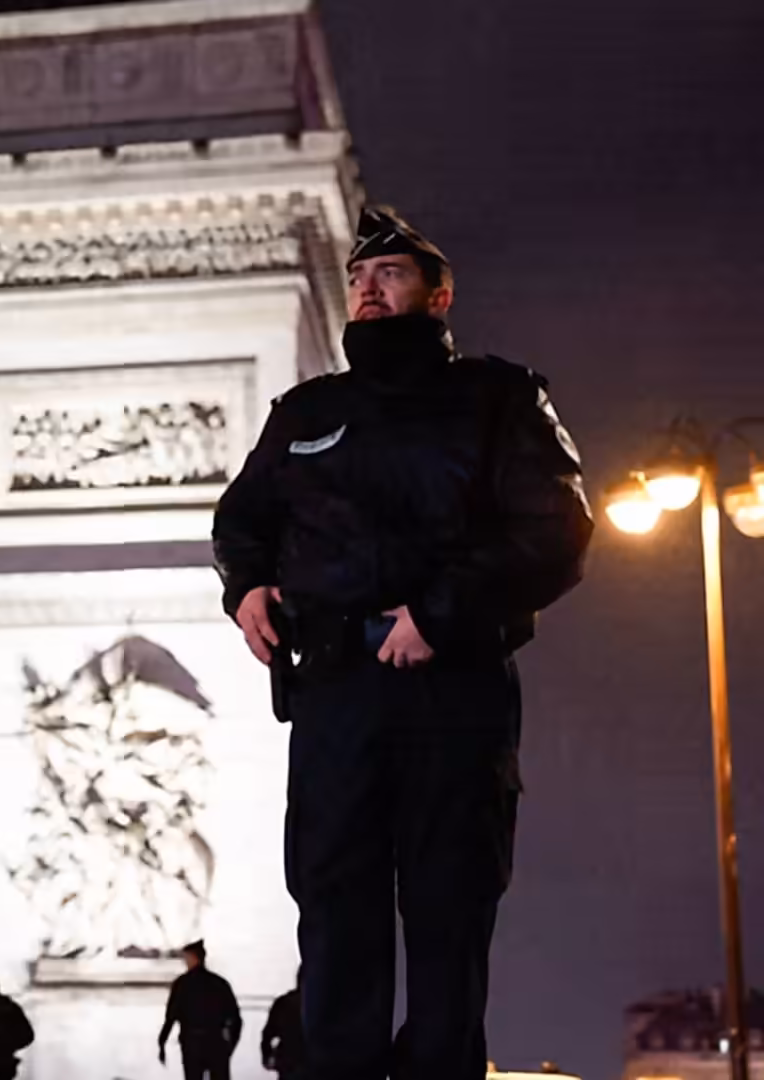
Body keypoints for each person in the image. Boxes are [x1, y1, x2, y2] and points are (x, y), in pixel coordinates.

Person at [212, 206, 593, 1080]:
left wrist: (439, 615)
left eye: (389, 275)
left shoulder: (500, 398)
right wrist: (247, 589)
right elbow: (242, 521)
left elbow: (559, 531)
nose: (368, 290)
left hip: (451, 690)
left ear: (439, 294)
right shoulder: (304, 411)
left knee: (448, 909)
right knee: (332, 903)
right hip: (336, 689)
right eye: (357, 279)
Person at [158, 941, 242, 1080]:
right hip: (216, 1042)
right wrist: (230, 1045)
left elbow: (171, 1017)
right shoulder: (219, 983)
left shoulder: (182, 984)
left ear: (192, 957)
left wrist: (162, 1042)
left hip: (192, 1044)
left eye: (186, 958)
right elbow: (236, 1019)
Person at [260, 975, 304, 1080]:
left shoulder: (284, 1002)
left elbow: (268, 1034)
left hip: (288, 1061)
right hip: (314, 1062)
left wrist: (267, 1055)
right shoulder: (324, 1003)